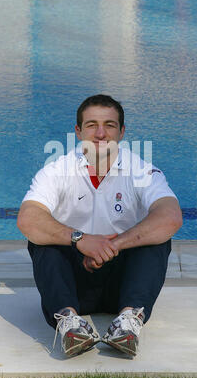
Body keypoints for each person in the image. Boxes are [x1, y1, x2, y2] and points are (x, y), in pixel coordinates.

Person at [17, 94, 182, 358]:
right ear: (78, 131)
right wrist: (80, 240)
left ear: (122, 132)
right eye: (92, 124)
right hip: (74, 279)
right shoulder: (56, 170)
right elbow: (28, 218)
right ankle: (69, 324)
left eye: (110, 125)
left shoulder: (141, 170)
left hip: (123, 280)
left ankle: (128, 322)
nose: (101, 133)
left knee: (158, 238)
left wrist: (110, 245)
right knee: (41, 240)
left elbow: (170, 216)